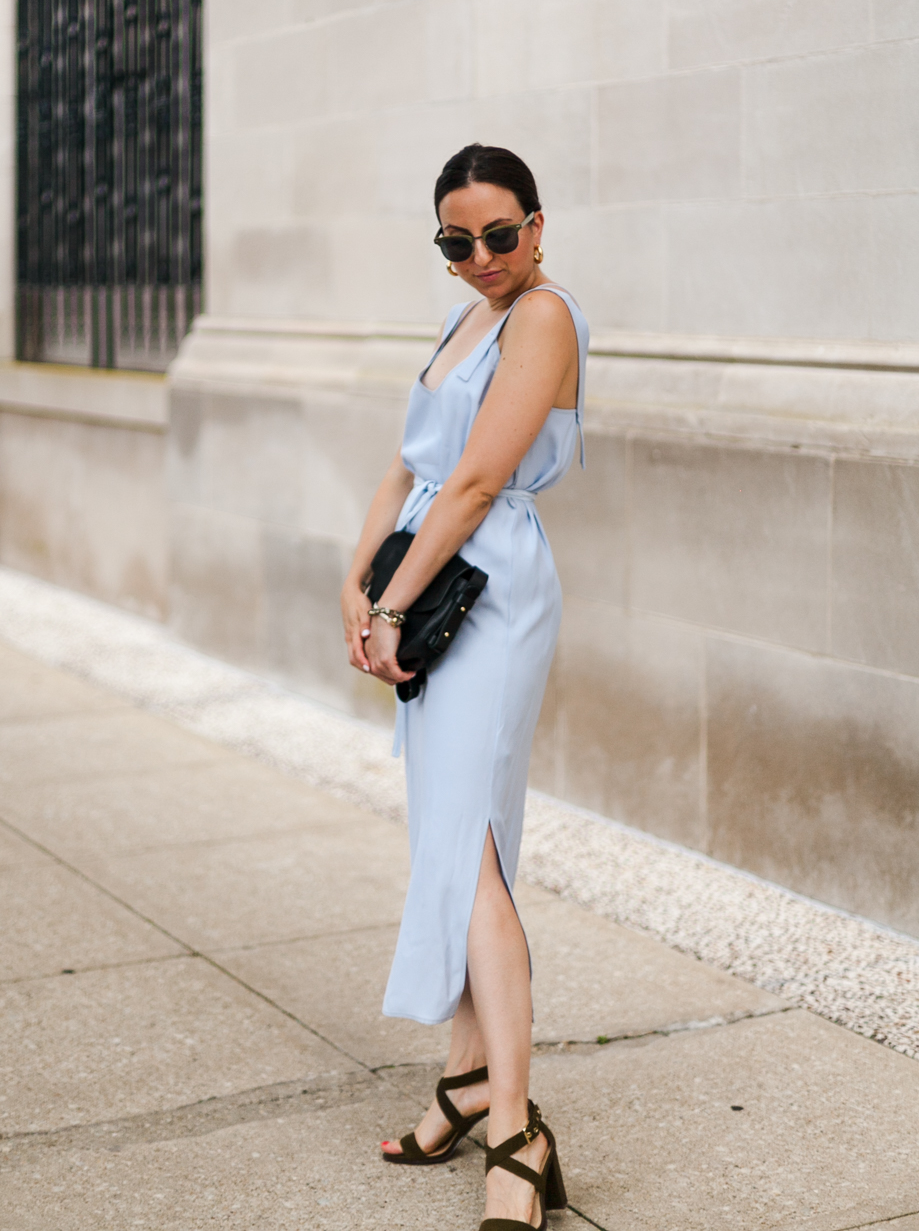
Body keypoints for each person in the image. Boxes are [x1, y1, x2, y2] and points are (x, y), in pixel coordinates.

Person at [340, 144, 588, 1231]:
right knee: (451, 837)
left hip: (486, 583)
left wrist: (394, 601)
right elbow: (409, 463)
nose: (480, 255)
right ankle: (465, 1080)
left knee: (470, 846)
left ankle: (517, 1132)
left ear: (535, 225)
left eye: (497, 233)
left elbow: (482, 477)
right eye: (456, 241)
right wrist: (355, 578)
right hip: (430, 568)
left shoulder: (541, 316)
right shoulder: (467, 319)